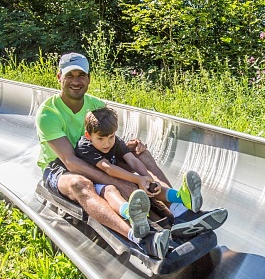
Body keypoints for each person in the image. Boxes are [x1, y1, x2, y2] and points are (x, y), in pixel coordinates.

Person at [35, 52, 225, 260]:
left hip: (97, 156)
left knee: (139, 153)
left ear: (89, 78)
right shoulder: (49, 113)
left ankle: (180, 212)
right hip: (60, 168)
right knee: (80, 184)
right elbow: (70, 161)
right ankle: (137, 237)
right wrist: (121, 182)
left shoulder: (96, 105)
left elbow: (109, 137)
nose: (76, 81)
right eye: (69, 76)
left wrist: (131, 150)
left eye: (81, 75)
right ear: (59, 77)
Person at [75, 107, 204, 229]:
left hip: (114, 175)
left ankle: (183, 197)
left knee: (149, 186)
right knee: (110, 190)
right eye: (100, 139)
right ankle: (130, 214)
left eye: (110, 137)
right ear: (88, 135)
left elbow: (133, 161)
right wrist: (137, 180)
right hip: (95, 183)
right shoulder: (84, 146)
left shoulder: (116, 141)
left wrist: (147, 178)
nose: (107, 143)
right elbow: (108, 168)